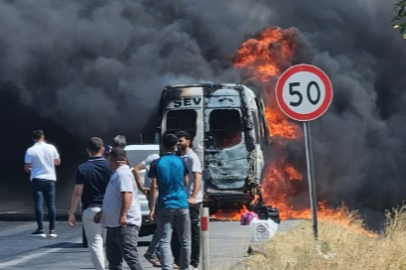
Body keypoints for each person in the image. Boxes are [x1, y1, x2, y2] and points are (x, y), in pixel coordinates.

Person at [94, 147, 143, 270]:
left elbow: (127, 194)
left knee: (130, 256)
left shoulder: (123, 174)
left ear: (111, 160)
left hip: (125, 224)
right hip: (113, 224)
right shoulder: (117, 174)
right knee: (114, 259)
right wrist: (102, 212)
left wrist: (123, 215)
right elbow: (113, 198)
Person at [148, 134, 192, 270]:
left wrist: (152, 209)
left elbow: (154, 186)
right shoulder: (181, 161)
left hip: (165, 204)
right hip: (181, 203)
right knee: (185, 240)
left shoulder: (156, 163)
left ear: (162, 146)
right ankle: (185, 266)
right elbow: (186, 181)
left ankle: (166, 267)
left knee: (164, 240)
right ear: (175, 146)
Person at [68, 137, 112, 270]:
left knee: (95, 244)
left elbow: (77, 192)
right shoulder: (110, 166)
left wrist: (72, 213)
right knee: (111, 243)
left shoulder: (83, 168)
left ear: (88, 151)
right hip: (110, 208)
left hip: (91, 209)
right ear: (103, 150)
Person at [171, 131, 202, 269]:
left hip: (191, 201)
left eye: (181, 140)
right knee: (178, 231)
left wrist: (194, 196)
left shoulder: (192, 157)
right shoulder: (179, 157)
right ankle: (178, 260)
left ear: (188, 142)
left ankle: (194, 261)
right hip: (180, 199)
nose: (178, 143)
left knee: (193, 231)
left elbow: (197, 177)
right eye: (177, 140)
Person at [24, 129, 61, 237]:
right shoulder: (51, 148)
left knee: (38, 204)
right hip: (50, 179)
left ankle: (40, 229)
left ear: (33, 138)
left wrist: (33, 170)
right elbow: (58, 162)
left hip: (37, 179)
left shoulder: (30, 150)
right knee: (51, 204)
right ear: (43, 137)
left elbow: (26, 167)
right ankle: (52, 230)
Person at [133, 153, 161, 267]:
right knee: (163, 225)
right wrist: (141, 187)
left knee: (165, 226)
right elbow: (136, 169)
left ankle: (155, 252)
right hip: (154, 194)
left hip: (164, 194)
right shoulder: (154, 158)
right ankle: (153, 252)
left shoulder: (171, 158)